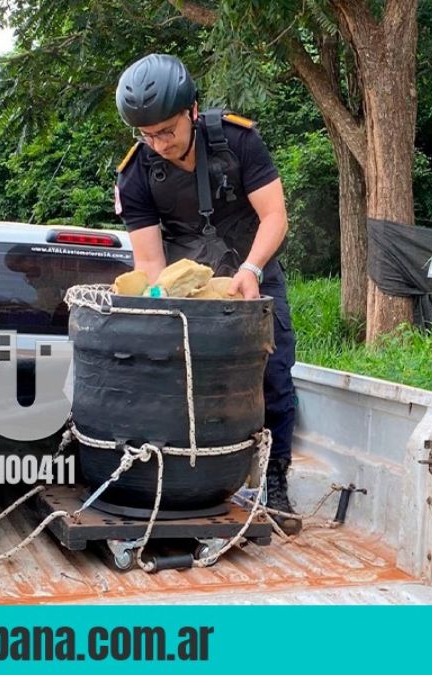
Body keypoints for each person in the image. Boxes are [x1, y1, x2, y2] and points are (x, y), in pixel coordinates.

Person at [113, 53, 300, 533]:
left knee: (274, 379)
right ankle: (197, 482)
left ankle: (275, 482)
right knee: (195, 387)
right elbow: (150, 263)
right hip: (188, 291)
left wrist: (252, 267)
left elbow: (275, 216)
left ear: (192, 111)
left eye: (166, 131)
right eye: (146, 135)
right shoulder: (135, 174)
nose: (158, 143)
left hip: (253, 274)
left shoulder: (238, 141)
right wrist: (162, 309)